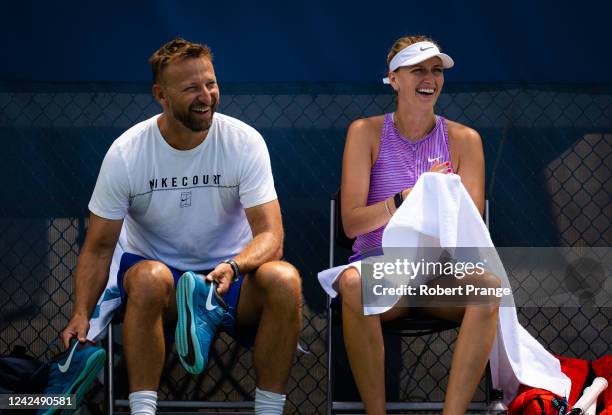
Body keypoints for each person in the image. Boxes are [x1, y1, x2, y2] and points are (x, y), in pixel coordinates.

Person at [45, 38, 302, 415]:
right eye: (191, 88)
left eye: (210, 84)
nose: (206, 96)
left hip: (228, 281)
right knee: (149, 277)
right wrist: (81, 314)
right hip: (159, 284)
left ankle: (268, 412)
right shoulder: (126, 153)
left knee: (285, 279)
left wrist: (232, 267)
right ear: (160, 95)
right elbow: (99, 247)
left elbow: (271, 236)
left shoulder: (244, 142)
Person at [337, 35, 498, 415]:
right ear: (394, 79)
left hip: (438, 273)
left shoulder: (466, 140)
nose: (430, 78)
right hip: (382, 269)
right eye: (418, 70)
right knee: (351, 283)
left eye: (436, 70)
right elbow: (351, 225)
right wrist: (405, 199)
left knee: (490, 288)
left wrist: (436, 197)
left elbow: (466, 228)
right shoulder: (364, 132)